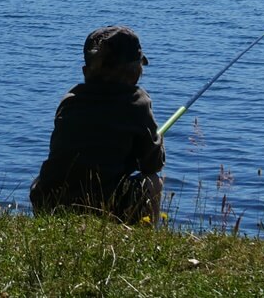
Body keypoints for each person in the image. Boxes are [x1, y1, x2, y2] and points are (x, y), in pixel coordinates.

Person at [30, 25, 165, 223]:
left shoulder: (70, 101)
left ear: (86, 70)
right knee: (154, 183)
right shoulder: (137, 103)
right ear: (136, 72)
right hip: (103, 206)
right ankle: (148, 237)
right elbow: (152, 164)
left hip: (49, 201)